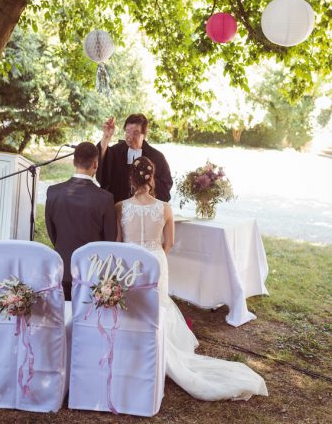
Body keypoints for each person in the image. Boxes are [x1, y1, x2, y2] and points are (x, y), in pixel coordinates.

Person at [115, 156, 268, 401]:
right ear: (152, 178)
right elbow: (170, 243)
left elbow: (117, 240)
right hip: (155, 260)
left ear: (131, 180)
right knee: (157, 306)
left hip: (128, 263)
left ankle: (132, 349)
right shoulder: (165, 208)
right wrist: (157, 259)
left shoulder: (120, 206)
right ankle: (159, 347)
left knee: (131, 306)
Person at [45, 142, 117, 300]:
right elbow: (110, 239)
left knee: (63, 319)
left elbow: (52, 232)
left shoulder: (53, 192)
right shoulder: (105, 198)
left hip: (62, 269)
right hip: (91, 273)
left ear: (74, 161)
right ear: (96, 164)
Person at [96, 113, 173, 203]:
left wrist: (148, 181)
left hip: (143, 210)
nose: (130, 137)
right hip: (117, 207)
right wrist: (106, 136)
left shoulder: (157, 157)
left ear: (144, 134)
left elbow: (165, 187)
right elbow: (101, 164)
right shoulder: (116, 151)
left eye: (136, 133)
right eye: (127, 132)